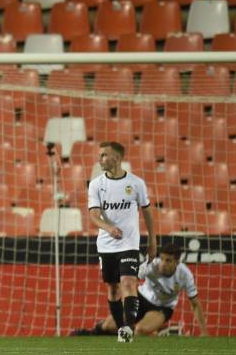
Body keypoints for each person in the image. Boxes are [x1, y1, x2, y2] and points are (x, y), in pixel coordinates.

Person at [87, 140, 156, 343]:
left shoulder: (136, 183)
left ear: (117, 157)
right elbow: (93, 215)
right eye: (100, 155)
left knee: (128, 282)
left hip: (129, 244)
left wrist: (153, 241)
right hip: (106, 245)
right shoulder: (96, 185)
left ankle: (127, 328)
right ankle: (120, 327)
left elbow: (147, 213)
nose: (101, 159)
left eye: (104, 155)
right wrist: (108, 228)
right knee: (113, 288)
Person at [71, 241, 207, 337]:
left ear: (177, 262)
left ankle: (152, 331)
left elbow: (195, 304)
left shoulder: (185, 275)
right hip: (141, 299)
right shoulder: (151, 265)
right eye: (162, 259)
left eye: (168, 261)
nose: (163, 264)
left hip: (162, 308)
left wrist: (204, 333)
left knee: (140, 330)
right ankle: (93, 333)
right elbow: (131, 281)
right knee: (108, 326)